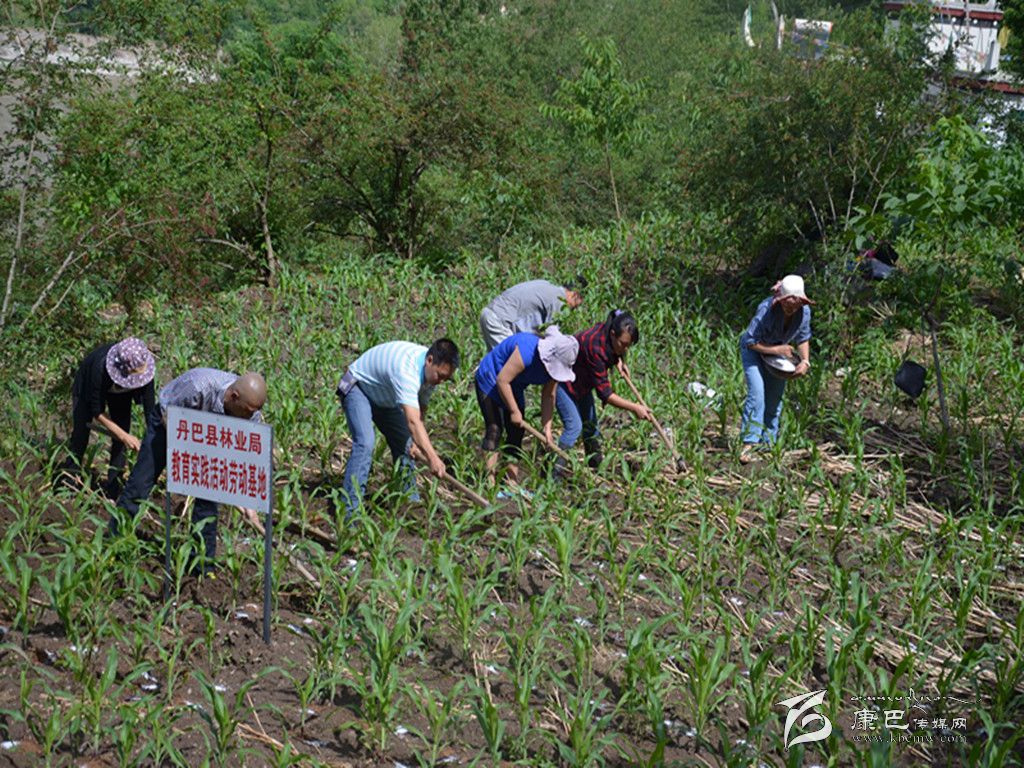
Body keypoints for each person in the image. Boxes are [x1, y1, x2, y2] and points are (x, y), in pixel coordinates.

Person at [109, 369, 267, 572]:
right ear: (234, 397)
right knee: (141, 483)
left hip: (213, 435)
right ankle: (113, 543)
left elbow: (243, 457)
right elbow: (168, 416)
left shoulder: (251, 414)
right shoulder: (199, 386)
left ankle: (202, 566)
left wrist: (249, 504)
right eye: (247, 411)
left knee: (209, 498)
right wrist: (192, 455)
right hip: (168, 423)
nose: (250, 416)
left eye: (253, 412)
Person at [337, 338, 459, 516]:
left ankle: (408, 504)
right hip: (356, 386)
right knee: (365, 443)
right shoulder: (407, 370)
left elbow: (420, 409)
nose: (441, 381)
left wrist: (417, 444)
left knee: (406, 444)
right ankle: (350, 512)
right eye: (440, 376)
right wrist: (432, 457)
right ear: (429, 360)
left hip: (383, 397)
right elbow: (412, 422)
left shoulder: (431, 375)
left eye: (446, 379)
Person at [475, 329, 579, 486]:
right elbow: (502, 380)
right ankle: (489, 483)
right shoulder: (526, 351)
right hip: (491, 379)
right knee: (494, 429)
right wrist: (514, 411)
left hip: (514, 386)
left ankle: (511, 483)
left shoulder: (553, 370)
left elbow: (548, 395)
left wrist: (547, 429)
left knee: (516, 433)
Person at [554, 310, 652, 476]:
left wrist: (620, 360)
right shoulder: (596, 348)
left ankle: (595, 470)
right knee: (574, 428)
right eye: (623, 344)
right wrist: (635, 407)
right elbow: (605, 394)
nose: (625, 348)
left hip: (583, 382)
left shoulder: (614, 323)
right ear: (613, 334)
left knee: (591, 427)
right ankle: (553, 474)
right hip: (562, 382)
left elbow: (617, 312)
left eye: (628, 346)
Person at [59, 337, 156, 498]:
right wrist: (125, 436)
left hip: (121, 394)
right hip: (87, 387)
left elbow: (150, 410)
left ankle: (113, 489)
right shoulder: (99, 369)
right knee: (80, 436)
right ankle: (68, 484)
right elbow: (97, 412)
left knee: (121, 438)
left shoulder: (144, 370)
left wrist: (153, 442)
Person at [739, 274, 813, 462]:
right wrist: (776, 349)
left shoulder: (804, 313)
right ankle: (749, 443)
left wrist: (805, 361)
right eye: (787, 305)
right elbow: (750, 341)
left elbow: (803, 338)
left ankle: (768, 444)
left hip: (777, 355)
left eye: (795, 305)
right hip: (754, 351)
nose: (791, 309)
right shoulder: (766, 310)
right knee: (757, 394)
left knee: (774, 399)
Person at [479, 278, 585, 351]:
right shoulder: (559, 300)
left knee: (497, 363)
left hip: (492, 313)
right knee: (509, 365)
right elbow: (552, 337)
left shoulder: (547, 284)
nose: (575, 309)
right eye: (578, 304)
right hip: (500, 321)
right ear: (574, 294)